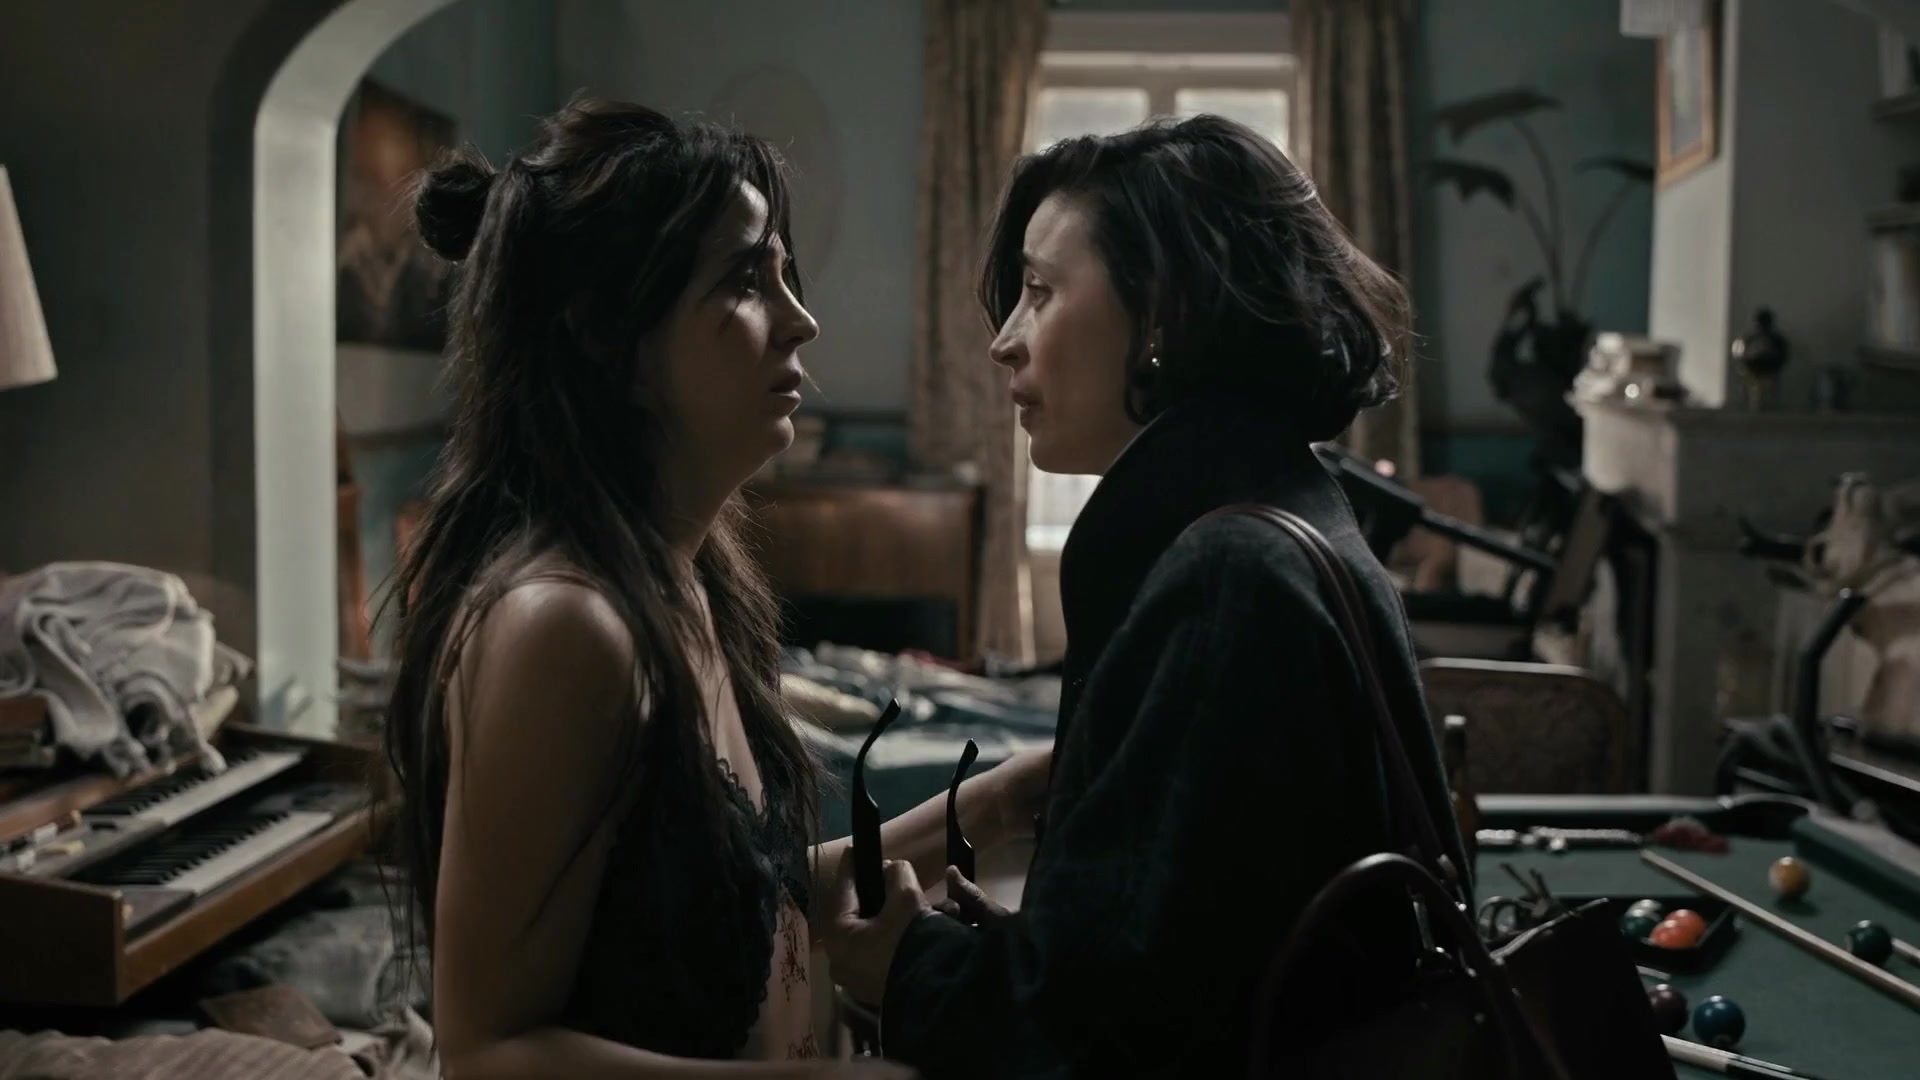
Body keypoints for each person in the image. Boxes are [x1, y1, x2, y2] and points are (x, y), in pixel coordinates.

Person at [380, 99, 1049, 1079]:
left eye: (783, 275)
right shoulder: (563, 626)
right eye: (744, 280)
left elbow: (744, 900)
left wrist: (994, 801)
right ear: (606, 336)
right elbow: (489, 1052)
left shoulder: (686, 581)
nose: (801, 319)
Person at [824, 114, 1473, 1077]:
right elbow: (1195, 961)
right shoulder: (1280, 510)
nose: (1004, 342)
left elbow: (1115, 1048)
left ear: (1162, 314)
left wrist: (908, 967)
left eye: (1040, 292)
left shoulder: (1228, 576)